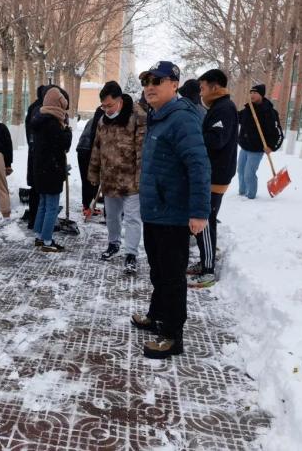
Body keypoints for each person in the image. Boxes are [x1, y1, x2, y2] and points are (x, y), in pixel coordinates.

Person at [131, 61, 211, 359]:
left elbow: (199, 166)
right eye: (146, 80)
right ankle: (157, 315)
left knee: (172, 276)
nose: (149, 86)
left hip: (173, 214)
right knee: (159, 271)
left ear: (174, 84)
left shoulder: (182, 119)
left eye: (157, 80)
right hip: (155, 212)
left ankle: (172, 336)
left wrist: (200, 212)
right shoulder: (159, 116)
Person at [88, 81, 146, 275]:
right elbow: (96, 147)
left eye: (109, 105)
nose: (106, 109)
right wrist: (94, 173)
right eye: (103, 106)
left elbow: (142, 151)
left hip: (132, 181)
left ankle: (131, 254)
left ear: (120, 101)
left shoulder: (138, 116)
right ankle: (113, 243)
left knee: (132, 218)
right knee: (111, 217)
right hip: (110, 179)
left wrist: (141, 179)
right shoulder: (103, 119)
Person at [187, 69, 238, 288]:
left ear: (215, 87)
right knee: (204, 219)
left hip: (216, 174)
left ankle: (208, 270)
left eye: (203, 88)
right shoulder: (218, 107)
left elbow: (216, 140)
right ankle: (204, 261)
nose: (201, 93)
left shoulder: (224, 109)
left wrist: (194, 136)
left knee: (205, 221)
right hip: (214, 172)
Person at [31, 87, 72, 252]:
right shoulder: (53, 123)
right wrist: (68, 131)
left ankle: (40, 236)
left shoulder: (40, 120)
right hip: (52, 170)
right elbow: (64, 144)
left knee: (43, 204)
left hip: (41, 170)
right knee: (52, 207)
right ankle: (47, 241)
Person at [238, 84, 284, 199]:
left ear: (261, 95)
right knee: (240, 171)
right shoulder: (247, 110)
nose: (252, 95)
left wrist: (272, 147)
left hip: (257, 149)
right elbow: (236, 118)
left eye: (255, 93)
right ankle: (242, 192)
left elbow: (278, 134)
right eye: (251, 93)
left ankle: (250, 196)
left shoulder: (270, 113)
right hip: (244, 147)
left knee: (249, 174)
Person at [24, 85, 47, 229]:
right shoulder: (42, 109)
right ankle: (38, 220)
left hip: (33, 152)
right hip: (40, 154)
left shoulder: (33, 107)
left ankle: (34, 219)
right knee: (41, 189)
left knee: (35, 188)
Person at [76, 106, 105, 218]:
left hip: (82, 150)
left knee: (88, 179)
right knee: (91, 180)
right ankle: (87, 206)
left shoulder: (92, 120)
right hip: (88, 151)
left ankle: (88, 205)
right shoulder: (101, 122)